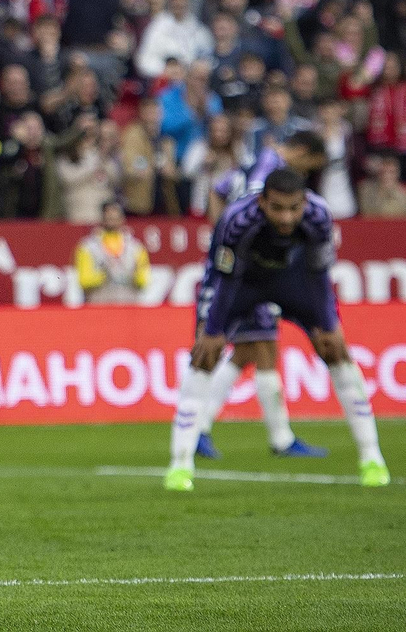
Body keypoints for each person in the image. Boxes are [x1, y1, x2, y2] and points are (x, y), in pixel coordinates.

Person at [165, 168, 390, 491]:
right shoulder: (237, 220)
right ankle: (180, 465)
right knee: (205, 354)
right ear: (262, 202)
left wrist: (328, 324)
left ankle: (372, 458)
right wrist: (213, 329)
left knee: (335, 349)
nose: (286, 218)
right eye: (278, 208)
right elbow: (225, 279)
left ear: (304, 202)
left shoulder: (318, 216)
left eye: (294, 208)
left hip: (294, 280)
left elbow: (320, 274)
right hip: (242, 284)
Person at [191, 129, 331, 460]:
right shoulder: (271, 167)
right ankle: (277, 438)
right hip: (249, 270)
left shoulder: (257, 158)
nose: (308, 174)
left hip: (244, 266)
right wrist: (229, 242)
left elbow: (219, 189)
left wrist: (221, 234)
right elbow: (254, 205)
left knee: (248, 350)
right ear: (302, 151)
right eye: (310, 165)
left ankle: (203, 427)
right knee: (263, 346)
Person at [74, 202, 150, 304]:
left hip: (128, 305)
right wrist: (103, 276)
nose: (112, 221)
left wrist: (135, 277)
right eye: (109, 218)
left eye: (115, 218)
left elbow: (143, 279)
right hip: (98, 305)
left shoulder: (136, 248)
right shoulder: (88, 247)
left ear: (122, 219)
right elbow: (84, 280)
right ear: (102, 219)